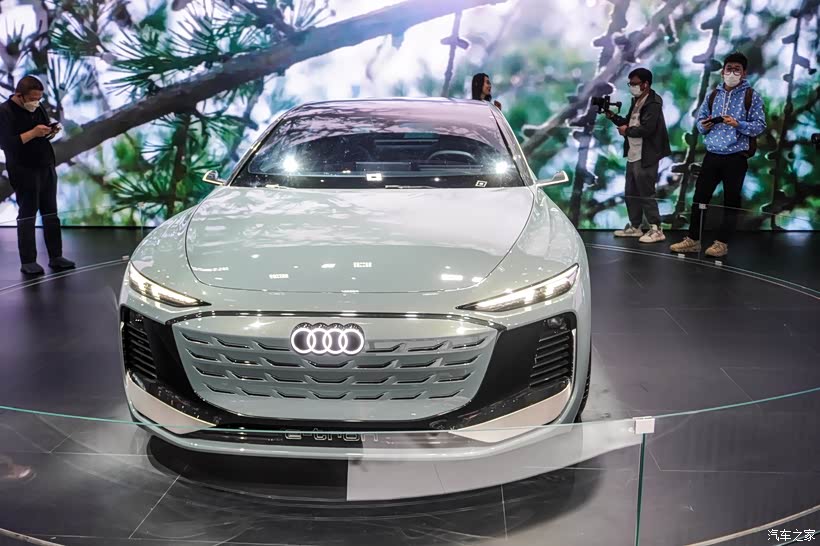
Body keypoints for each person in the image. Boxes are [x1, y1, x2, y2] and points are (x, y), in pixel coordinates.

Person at [670, 52, 766, 258]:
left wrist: (738, 124)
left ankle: (722, 243)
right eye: (729, 69)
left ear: (744, 73)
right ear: (722, 71)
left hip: (736, 157)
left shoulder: (752, 96)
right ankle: (693, 240)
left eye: (737, 70)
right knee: (700, 197)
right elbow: (700, 121)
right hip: (712, 154)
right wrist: (703, 125)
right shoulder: (714, 94)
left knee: (731, 201)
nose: (732, 73)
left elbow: (759, 126)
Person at [0, 75, 74, 275]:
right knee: (28, 214)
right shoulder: (4, 111)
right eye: (33, 98)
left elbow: (42, 130)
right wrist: (33, 133)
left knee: (51, 213)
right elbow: (6, 144)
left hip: (46, 166)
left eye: (39, 98)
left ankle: (56, 256)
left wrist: (50, 132)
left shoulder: (38, 107)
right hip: (23, 169)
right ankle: (28, 260)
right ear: (19, 95)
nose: (36, 102)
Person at [605, 67, 671, 244]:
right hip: (633, 153)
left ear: (645, 84)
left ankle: (656, 229)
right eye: (630, 84)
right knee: (631, 192)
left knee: (646, 192)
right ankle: (635, 227)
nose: (632, 87)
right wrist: (613, 117)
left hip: (646, 154)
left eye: (634, 83)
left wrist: (626, 131)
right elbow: (628, 122)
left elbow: (647, 129)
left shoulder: (654, 102)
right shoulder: (637, 101)